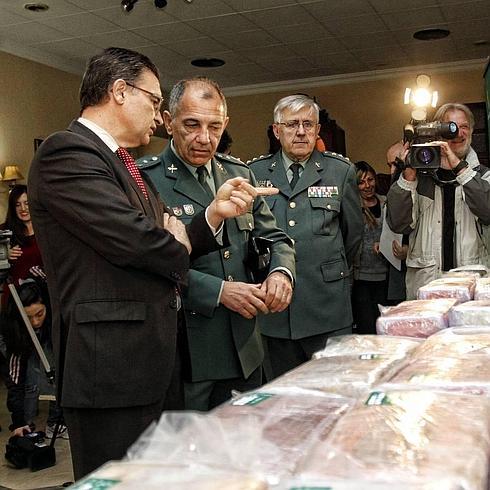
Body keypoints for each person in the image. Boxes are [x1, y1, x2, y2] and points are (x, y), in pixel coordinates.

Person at [27, 47, 269, 479]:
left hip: (150, 360)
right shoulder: (68, 154)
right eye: (155, 102)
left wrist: (202, 220)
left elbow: (162, 233)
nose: (158, 117)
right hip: (111, 369)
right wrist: (165, 234)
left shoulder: (119, 162)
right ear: (120, 91)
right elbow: (145, 243)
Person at [138, 77, 295, 411]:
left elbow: (275, 237)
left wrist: (281, 273)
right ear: (168, 122)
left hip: (245, 345)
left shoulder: (238, 173)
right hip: (189, 350)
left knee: (246, 448)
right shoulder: (145, 180)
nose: (204, 139)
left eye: (214, 127)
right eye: (191, 125)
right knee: (193, 454)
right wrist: (219, 292)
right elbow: (146, 267)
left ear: (225, 124)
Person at [249, 94, 363, 379]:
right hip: (275, 310)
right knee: (282, 398)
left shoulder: (340, 172)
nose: (301, 132)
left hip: (327, 306)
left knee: (333, 391)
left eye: (308, 125)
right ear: (277, 131)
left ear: (317, 130)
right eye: (292, 125)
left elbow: (353, 235)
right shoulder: (254, 172)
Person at [386, 102, 490, 299]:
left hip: (472, 285)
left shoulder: (483, 176)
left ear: (472, 132)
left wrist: (459, 168)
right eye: (449, 127)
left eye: (464, 126)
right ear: (437, 133)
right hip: (427, 286)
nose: (457, 132)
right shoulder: (418, 178)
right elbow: (398, 223)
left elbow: (487, 210)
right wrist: (408, 174)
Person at [2, 280, 65, 438]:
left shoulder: (56, 321)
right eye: (29, 317)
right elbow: (14, 379)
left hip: (48, 341)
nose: (35, 322)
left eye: (39, 314)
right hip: (21, 346)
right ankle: (26, 425)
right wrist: (18, 422)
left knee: (55, 376)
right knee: (30, 382)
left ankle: (55, 424)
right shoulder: (13, 331)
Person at [351, 161, 389, 335]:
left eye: (371, 180)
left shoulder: (386, 203)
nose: (367, 186)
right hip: (361, 279)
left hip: (386, 276)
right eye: (361, 182)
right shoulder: (351, 208)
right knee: (367, 329)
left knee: (386, 326)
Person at [1, 185, 44, 290]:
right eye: (17, 205)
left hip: (44, 293)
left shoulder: (47, 229)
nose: (23, 209)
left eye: (27, 203)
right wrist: (4, 254)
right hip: (16, 295)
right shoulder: (4, 231)